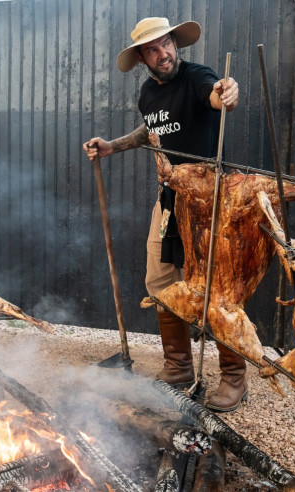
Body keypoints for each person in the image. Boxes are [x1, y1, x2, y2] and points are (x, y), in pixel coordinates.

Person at [83, 17, 245, 412]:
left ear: (176, 43)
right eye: (153, 49)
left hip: (211, 199)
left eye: (168, 43)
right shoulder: (147, 94)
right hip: (169, 200)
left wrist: (226, 91)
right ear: (142, 58)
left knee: (217, 290)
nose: (165, 53)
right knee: (158, 281)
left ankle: (234, 377)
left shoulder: (197, 77)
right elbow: (152, 129)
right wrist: (112, 146)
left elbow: (215, 93)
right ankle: (178, 367)